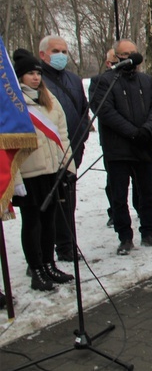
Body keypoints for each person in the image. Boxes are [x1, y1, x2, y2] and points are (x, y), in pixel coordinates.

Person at [89, 39, 152, 256]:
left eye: (133, 52)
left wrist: (147, 129)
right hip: (118, 149)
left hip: (144, 145)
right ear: (116, 57)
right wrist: (132, 132)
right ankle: (125, 237)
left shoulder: (147, 81)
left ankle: (148, 231)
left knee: (147, 192)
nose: (130, 57)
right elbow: (105, 112)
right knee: (119, 195)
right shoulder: (104, 81)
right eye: (125, 54)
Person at [11, 49, 75, 291]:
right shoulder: (13, 104)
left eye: (38, 73)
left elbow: (62, 135)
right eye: (30, 73)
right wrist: (15, 179)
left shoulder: (48, 99)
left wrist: (68, 165)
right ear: (20, 77)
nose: (36, 77)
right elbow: (9, 147)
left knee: (50, 221)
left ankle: (49, 264)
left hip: (51, 170)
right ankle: (36, 269)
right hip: (28, 174)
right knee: (32, 223)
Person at [38, 35, 90, 262]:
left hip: (72, 150)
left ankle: (67, 245)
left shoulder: (73, 79)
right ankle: (43, 253)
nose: (61, 55)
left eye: (64, 51)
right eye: (55, 50)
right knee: (47, 204)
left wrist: (81, 138)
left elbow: (83, 110)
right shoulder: (36, 80)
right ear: (43, 54)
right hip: (45, 153)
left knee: (68, 201)